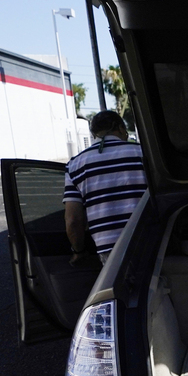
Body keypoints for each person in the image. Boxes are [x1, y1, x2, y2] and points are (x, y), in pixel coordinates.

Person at [63, 110, 148, 264]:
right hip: (149, 239)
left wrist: (78, 251)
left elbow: (73, 220)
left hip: (109, 249)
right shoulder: (143, 153)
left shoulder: (75, 165)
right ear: (121, 128)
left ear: (93, 133)